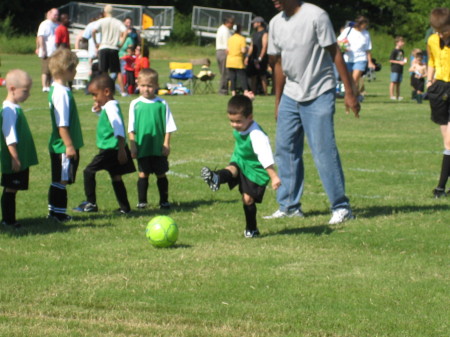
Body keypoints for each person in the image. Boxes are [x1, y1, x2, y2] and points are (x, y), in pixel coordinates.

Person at [265, 0, 360, 224]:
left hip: (319, 90)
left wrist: (349, 91)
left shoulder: (317, 16)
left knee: (323, 150)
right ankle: (289, 206)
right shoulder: (275, 23)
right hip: (290, 93)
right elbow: (277, 64)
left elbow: (334, 51)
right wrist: (278, 101)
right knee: (285, 148)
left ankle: (341, 207)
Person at [201, 95, 281, 238]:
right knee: (232, 169)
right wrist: (248, 98)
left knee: (247, 200)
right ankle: (216, 178)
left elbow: (265, 157)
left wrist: (274, 176)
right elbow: (244, 108)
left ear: (250, 117)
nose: (234, 125)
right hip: (240, 159)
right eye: (231, 121)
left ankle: (252, 229)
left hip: (255, 169)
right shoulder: (244, 122)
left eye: (238, 121)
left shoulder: (257, 135)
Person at [74, 74, 135, 214]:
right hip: (113, 148)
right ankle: (125, 208)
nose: (94, 98)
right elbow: (107, 118)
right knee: (116, 176)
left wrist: (121, 149)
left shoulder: (110, 107)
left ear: (106, 92)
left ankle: (91, 203)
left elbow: (118, 127)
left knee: (88, 171)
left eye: (95, 95)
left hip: (111, 149)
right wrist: (97, 109)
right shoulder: (110, 105)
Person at [128, 69, 177, 209]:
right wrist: (132, 145)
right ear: (138, 84)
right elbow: (131, 128)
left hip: (158, 147)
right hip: (143, 145)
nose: (146, 89)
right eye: (143, 85)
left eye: (149, 86)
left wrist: (166, 144)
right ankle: (142, 201)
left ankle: (164, 200)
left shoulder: (162, 104)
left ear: (156, 85)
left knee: (161, 174)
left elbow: (168, 126)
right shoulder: (135, 104)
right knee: (143, 174)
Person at [47, 48, 84, 222]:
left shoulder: (58, 89)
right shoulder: (61, 93)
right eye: (74, 69)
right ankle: (58, 214)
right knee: (61, 181)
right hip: (63, 146)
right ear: (65, 70)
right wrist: (69, 146)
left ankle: (54, 211)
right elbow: (62, 124)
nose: (75, 72)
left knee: (58, 179)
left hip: (60, 145)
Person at [0, 70, 38, 229]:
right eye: (25, 91)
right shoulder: (9, 110)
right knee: (11, 187)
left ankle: (9, 219)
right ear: (12, 89)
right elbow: (9, 136)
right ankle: (8, 220)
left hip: (19, 156)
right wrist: (14, 157)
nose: (28, 95)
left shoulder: (15, 107)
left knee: (13, 188)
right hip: (14, 157)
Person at [426, 8, 450, 198]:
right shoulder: (433, 40)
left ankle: (440, 188)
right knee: (447, 142)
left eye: (444, 30)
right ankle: (442, 189)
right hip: (439, 89)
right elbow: (431, 60)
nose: (440, 34)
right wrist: (429, 80)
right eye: (437, 31)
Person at [337, 15, 375, 103]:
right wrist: (343, 46)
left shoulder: (366, 33)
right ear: (359, 24)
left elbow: (368, 49)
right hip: (348, 58)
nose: (365, 27)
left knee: (354, 79)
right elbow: (338, 41)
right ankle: (357, 95)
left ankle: (352, 98)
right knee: (350, 80)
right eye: (364, 25)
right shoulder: (348, 30)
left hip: (361, 58)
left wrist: (370, 62)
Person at [92, 5, 127, 83]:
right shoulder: (117, 22)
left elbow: (93, 31)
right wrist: (121, 43)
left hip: (104, 47)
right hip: (114, 47)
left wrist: (96, 43)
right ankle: (123, 91)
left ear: (105, 12)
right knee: (117, 71)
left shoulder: (101, 21)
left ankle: (104, 87)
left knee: (103, 71)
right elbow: (125, 31)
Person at [36, 8, 59, 92]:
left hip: (55, 50)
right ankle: (44, 86)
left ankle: (52, 84)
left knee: (54, 69)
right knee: (46, 69)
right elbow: (40, 36)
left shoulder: (56, 25)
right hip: (47, 50)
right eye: (55, 14)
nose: (56, 16)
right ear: (49, 14)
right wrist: (42, 48)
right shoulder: (44, 24)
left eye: (57, 15)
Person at [245, 16, 269, 95]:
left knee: (262, 75)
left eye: (254, 23)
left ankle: (265, 93)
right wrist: (248, 56)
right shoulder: (254, 34)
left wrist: (260, 58)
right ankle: (253, 92)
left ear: (259, 23)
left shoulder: (264, 33)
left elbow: (264, 46)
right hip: (253, 58)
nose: (253, 24)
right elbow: (251, 46)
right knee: (253, 76)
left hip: (261, 58)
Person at [226, 24, 251, 97]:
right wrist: (247, 49)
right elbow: (243, 50)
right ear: (240, 30)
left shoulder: (230, 38)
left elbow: (227, 50)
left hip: (230, 60)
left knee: (232, 77)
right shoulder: (242, 39)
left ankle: (233, 92)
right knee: (242, 76)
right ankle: (245, 90)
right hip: (238, 60)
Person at [216, 16, 234, 95]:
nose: (233, 25)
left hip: (218, 51)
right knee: (225, 72)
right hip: (224, 52)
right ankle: (223, 90)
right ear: (228, 23)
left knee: (223, 72)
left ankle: (224, 88)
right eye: (232, 23)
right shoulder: (226, 31)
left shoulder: (220, 28)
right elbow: (228, 43)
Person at [389, 36, 406, 101]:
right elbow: (391, 60)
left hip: (400, 69)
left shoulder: (402, 51)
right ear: (397, 42)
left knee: (399, 83)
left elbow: (401, 58)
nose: (403, 43)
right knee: (393, 82)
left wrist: (404, 61)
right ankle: (391, 95)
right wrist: (399, 62)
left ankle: (398, 95)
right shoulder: (394, 51)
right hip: (395, 68)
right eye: (401, 42)